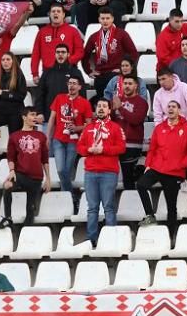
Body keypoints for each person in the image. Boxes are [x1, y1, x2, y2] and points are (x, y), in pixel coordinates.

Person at [137, 99, 187, 229]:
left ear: (179, 110)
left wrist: (183, 164)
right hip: (157, 167)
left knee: (171, 206)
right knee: (141, 185)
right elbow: (152, 149)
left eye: (174, 106)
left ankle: (171, 236)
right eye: (168, 106)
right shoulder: (159, 128)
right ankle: (150, 215)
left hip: (174, 171)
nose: (170, 109)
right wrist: (148, 165)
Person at [79, 97, 127, 245]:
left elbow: (121, 148)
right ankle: (91, 238)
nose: (100, 108)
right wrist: (89, 149)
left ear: (109, 110)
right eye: (98, 106)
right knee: (92, 208)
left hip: (108, 172)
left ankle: (111, 238)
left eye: (104, 106)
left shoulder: (115, 127)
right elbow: (79, 147)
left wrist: (103, 149)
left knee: (109, 207)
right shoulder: (88, 127)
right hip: (91, 172)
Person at [0, 107, 52, 227]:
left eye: (36, 115)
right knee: (7, 185)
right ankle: (7, 217)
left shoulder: (41, 136)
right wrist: (12, 171)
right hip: (21, 175)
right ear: (24, 117)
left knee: (30, 213)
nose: (35, 117)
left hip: (36, 177)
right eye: (32, 115)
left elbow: (45, 159)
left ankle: (25, 238)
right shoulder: (14, 136)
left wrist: (48, 179)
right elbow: (11, 157)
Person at [47, 76, 93, 197]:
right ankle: (71, 195)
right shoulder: (59, 98)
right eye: (69, 83)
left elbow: (89, 125)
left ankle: (66, 197)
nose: (71, 85)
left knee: (66, 170)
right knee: (61, 170)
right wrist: (48, 137)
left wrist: (77, 128)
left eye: (74, 83)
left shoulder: (85, 103)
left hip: (74, 141)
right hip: (58, 139)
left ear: (79, 87)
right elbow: (52, 119)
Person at [85, 6, 138, 98]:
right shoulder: (94, 36)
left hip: (116, 74)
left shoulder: (121, 34)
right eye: (103, 18)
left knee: (115, 103)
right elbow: (85, 55)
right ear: (99, 19)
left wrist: (124, 70)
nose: (105, 21)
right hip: (100, 74)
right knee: (103, 102)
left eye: (108, 18)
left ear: (112, 19)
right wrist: (88, 71)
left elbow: (134, 53)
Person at [113, 75, 148, 190]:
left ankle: (133, 204)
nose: (127, 86)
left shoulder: (141, 102)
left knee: (129, 180)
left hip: (132, 145)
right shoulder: (117, 100)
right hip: (116, 144)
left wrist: (120, 108)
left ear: (136, 86)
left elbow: (136, 120)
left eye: (130, 83)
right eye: (125, 83)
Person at [34, 44, 81, 126]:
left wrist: (80, 113)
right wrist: (39, 112)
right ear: (55, 54)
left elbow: (82, 94)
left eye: (63, 52)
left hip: (70, 118)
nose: (60, 54)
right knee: (49, 138)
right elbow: (40, 94)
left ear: (68, 54)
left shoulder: (75, 72)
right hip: (49, 116)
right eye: (58, 52)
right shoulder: (47, 73)